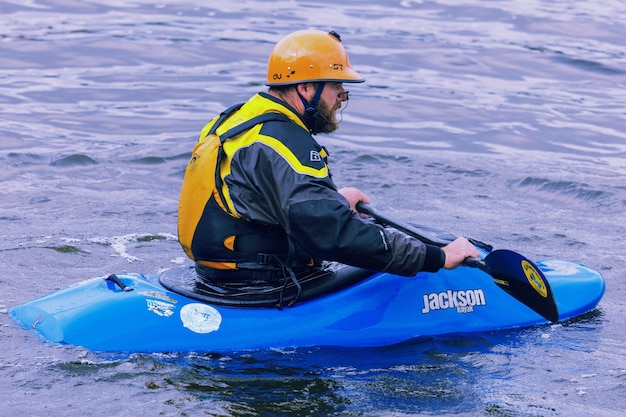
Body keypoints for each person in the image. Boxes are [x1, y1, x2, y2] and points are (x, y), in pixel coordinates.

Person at [177, 29, 478, 285]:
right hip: (262, 285)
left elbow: (257, 199)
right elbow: (333, 235)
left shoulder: (235, 120)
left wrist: (332, 202)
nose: (342, 98)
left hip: (214, 276)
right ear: (306, 88)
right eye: (336, 87)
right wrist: (436, 256)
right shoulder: (285, 142)